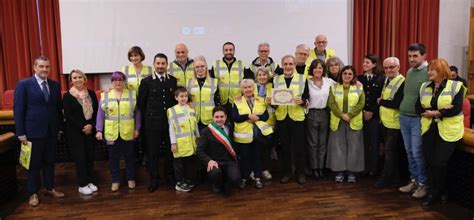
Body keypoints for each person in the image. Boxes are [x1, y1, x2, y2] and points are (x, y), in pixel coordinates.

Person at [13, 56, 65, 207]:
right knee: (33, 164)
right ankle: (33, 193)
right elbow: (18, 110)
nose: (44, 69)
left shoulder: (55, 85)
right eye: (41, 66)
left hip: (51, 132)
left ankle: (50, 188)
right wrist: (20, 132)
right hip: (32, 132)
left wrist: (59, 128)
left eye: (47, 67)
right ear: (35, 67)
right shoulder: (24, 85)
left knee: (50, 162)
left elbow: (57, 109)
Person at [416, 59, 464, 208]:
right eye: (428, 69)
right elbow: (418, 106)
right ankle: (435, 191)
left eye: (432, 70)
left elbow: (455, 108)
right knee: (430, 162)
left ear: (442, 71)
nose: (429, 72)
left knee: (440, 162)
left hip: (448, 130)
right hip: (429, 128)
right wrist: (441, 110)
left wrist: (436, 112)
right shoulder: (425, 86)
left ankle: (440, 191)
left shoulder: (456, 86)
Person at [137, 53, 178, 192]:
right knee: (153, 153)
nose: (160, 66)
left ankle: (169, 176)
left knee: (169, 152)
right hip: (152, 125)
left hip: (169, 124)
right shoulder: (146, 81)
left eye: (163, 63)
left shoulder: (172, 81)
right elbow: (141, 104)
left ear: (167, 65)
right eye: (158, 63)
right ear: (154, 65)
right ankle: (154, 178)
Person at [96, 71, 141, 192]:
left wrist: (137, 129)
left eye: (120, 80)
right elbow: (100, 115)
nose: (118, 82)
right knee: (113, 159)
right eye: (115, 80)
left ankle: (131, 179)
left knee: (130, 157)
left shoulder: (132, 94)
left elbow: (137, 113)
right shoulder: (105, 96)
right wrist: (99, 130)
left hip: (128, 131)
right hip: (112, 133)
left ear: (124, 81)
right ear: (112, 82)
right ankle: (115, 180)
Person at [398, 43, 429, 199]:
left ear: (424, 56)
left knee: (417, 153)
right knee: (409, 152)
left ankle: (423, 184)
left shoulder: (429, 72)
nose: (411, 59)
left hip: (418, 118)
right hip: (404, 116)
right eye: (409, 56)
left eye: (415, 56)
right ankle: (414, 180)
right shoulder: (410, 71)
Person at [273, 55, 309, 184]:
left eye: (290, 64)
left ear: (294, 65)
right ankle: (287, 172)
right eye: (285, 64)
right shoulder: (276, 79)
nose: (288, 67)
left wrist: (303, 101)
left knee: (299, 147)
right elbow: (274, 99)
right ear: (282, 66)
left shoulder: (302, 78)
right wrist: (273, 103)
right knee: (285, 147)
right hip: (282, 118)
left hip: (297, 118)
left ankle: (300, 173)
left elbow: (307, 98)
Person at [326, 65, 365, 183]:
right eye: (345, 73)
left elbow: (361, 103)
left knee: (354, 147)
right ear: (341, 75)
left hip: (353, 121)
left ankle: (352, 172)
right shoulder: (334, 87)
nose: (347, 76)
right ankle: (339, 171)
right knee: (338, 147)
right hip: (338, 121)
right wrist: (342, 115)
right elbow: (331, 103)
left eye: (350, 74)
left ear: (353, 76)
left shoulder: (359, 87)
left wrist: (350, 115)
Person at [63, 69, 99, 195]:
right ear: (71, 81)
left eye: (80, 77)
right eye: (74, 78)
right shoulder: (67, 96)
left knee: (89, 156)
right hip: (76, 132)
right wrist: (83, 126)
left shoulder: (91, 93)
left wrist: (91, 125)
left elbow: (96, 112)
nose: (77, 79)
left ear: (84, 79)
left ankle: (89, 181)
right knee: (80, 158)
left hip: (90, 131)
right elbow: (69, 116)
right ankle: (82, 184)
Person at [233, 79, 272, 189]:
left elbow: (266, 116)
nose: (248, 89)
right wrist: (248, 116)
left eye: (250, 87)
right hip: (244, 136)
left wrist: (257, 118)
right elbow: (235, 117)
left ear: (253, 88)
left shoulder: (260, 100)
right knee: (245, 157)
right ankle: (244, 178)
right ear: (242, 89)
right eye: (245, 88)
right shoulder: (237, 101)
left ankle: (257, 178)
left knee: (257, 157)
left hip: (258, 135)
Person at [374, 57, 405, 188]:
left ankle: (386, 179)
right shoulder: (386, 79)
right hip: (385, 122)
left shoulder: (402, 82)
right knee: (389, 152)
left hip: (394, 124)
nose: (388, 70)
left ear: (398, 67)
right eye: (386, 68)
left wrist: (380, 102)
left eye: (391, 67)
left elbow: (396, 103)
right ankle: (395, 178)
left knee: (390, 152)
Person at [196, 106, 241, 193]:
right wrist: (209, 161)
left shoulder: (229, 128)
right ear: (212, 117)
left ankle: (226, 180)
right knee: (215, 174)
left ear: (226, 117)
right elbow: (199, 150)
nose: (219, 119)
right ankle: (215, 184)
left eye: (222, 117)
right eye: (216, 117)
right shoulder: (206, 131)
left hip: (228, 161)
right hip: (215, 161)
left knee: (236, 179)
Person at [167, 87, 200, 192]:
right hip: (179, 143)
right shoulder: (172, 110)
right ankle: (179, 183)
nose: (184, 98)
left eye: (186, 96)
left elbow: (195, 125)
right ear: (176, 97)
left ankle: (187, 181)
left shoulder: (191, 109)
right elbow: (171, 129)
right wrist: (173, 143)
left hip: (191, 142)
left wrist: (198, 137)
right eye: (181, 96)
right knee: (178, 164)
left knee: (189, 163)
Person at [357, 54, 385, 176]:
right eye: (363, 62)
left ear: (374, 64)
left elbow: (380, 98)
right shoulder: (359, 79)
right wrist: (363, 111)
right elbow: (356, 97)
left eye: (367, 62)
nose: (364, 64)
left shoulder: (381, 79)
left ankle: (374, 169)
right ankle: (363, 167)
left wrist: (372, 111)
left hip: (374, 115)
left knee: (374, 143)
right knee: (362, 143)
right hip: (360, 115)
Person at [306, 59, 333, 180]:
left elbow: (344, 85)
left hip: (324, 113)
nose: (318, 70)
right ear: (312, 70)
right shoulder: (307, 82)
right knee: (313, 143)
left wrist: (356, 83)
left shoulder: (329, 81)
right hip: (311, 114)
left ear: (323, 70)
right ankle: (314, 168)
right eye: (315, 68)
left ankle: (321, 167)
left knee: (322, 143)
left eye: (320, 68)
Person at [210, 42, 249, 119]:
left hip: (237, 101)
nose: (228, 52)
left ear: (234, 51)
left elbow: (246, 83)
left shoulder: (241, 64)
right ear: (223, 51)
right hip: (221, 101)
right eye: (226, 50)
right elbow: (212, 83)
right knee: (222, 125)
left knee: (234, 123)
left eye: (230, 50)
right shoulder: (216, 64)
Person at [253, 67, 276, 180]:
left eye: (264, 75)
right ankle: (255, 169)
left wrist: (272, 102)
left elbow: (278, 103)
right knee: (256, 148)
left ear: (268, 76)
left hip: (270, 122)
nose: (262, 77)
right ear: (256, 77)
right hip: (255, 122)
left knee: (267, 147)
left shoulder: (273, 87)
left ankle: (265, 169)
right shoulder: (251, 87)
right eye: (259, 75)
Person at [186, 56, 220, 131]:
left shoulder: (214, 82)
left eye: (202, 66)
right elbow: (186, 100)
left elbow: (217, 101)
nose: (200, 69)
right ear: (194, 69)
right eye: (197, 67)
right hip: (194, 118)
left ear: (206, 67)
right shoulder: (189, 82)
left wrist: (217, 117)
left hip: (210, 119)